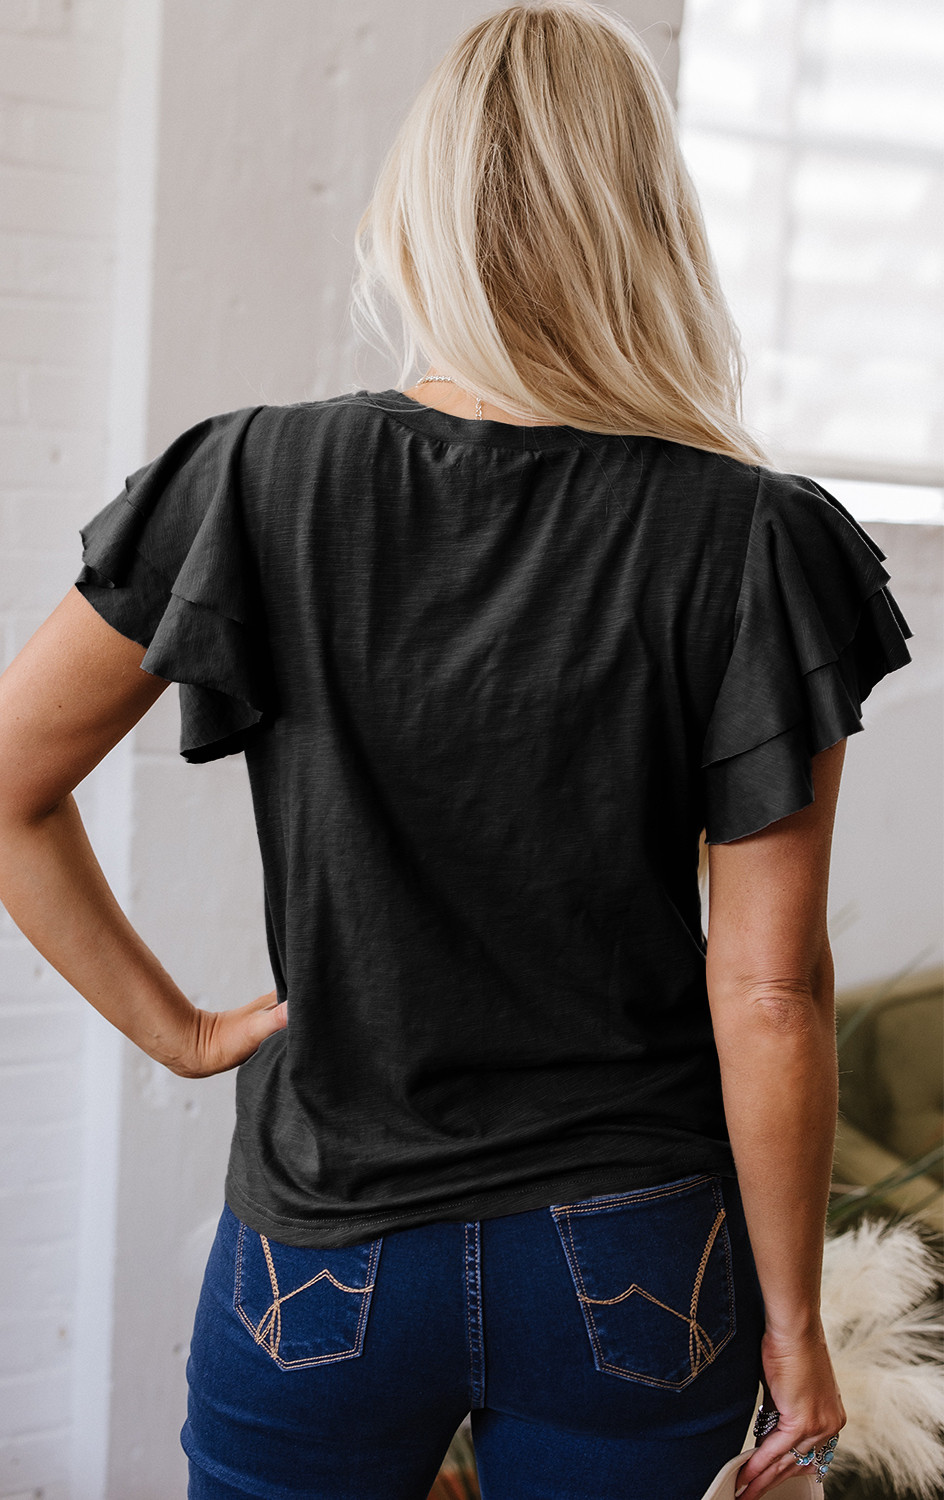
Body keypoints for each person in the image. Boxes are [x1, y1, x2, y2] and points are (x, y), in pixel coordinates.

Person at [0, 3, 915, 1498]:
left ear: (418, 216)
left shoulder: (254, 477)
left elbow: (8, 786)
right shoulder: (753, 536)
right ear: (650, 225)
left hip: (324, 1241)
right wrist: (800, 1329)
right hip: (635, 1249)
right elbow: (767, 990)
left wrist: (178, 1033)